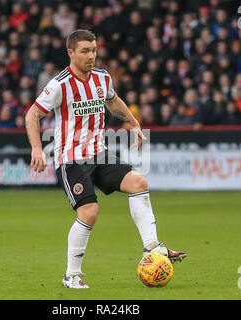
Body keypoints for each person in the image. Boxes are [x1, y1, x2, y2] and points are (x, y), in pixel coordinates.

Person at [25, 30, 186, 289]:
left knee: (139, 183)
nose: (91, 56)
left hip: (99, 154)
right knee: (90, 212)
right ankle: (72, 275)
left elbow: (112, 101)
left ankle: (153, 249)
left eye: (94, 50)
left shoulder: (102, 77)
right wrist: (36, 148)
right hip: (72, 160)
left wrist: (133, 123)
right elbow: (32, 115)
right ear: (71, 53)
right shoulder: (60, 84)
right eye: (85, 51)